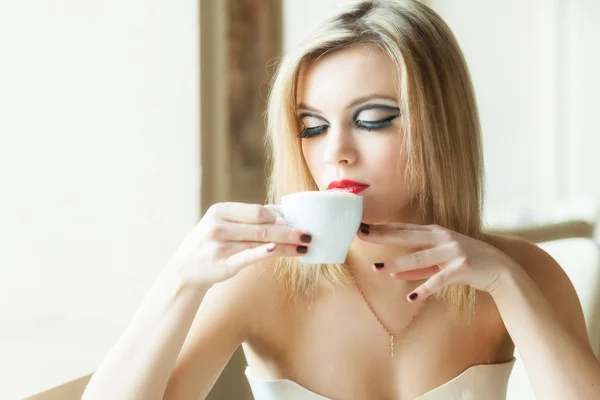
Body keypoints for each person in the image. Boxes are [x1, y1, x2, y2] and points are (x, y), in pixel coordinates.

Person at [82, 1, 600, 399]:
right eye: (312, 126)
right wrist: (180, 279)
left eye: (372, 120)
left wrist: (506, 283)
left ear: (442, 124)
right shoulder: (262, 280)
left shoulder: (523, 271)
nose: (336, 154)